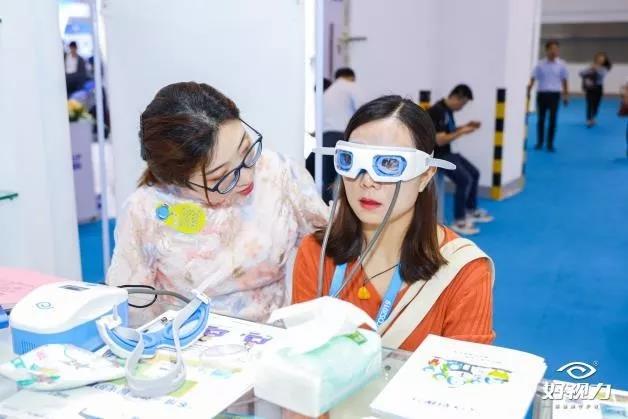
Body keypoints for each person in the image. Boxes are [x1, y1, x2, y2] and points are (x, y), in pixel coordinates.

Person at [106, 82, 328, 326]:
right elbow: (133, 310)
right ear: (177, 180)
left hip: (274, 338)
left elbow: (330, 242)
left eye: (246, 150)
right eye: (221, 177)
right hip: (185, 343)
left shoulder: (276, 173)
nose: (247, 177)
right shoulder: (146, 211)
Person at [293, 95, 495, 351]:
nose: (367, 181)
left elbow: (462, 372)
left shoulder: (464, 271)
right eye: (352, 160)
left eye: (389, 163)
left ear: (425, 175)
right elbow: (301, 357)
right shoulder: (317, 253)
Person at [428, 84, 493, 236]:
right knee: (464, 179)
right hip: (439, 156)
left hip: (449, 153)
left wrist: (466, 126)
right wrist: (463, 132)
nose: (462, 108)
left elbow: (448, 131)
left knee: (474, 173)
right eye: (462, 104)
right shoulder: (437, 111)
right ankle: (459, 221)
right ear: (456, 97)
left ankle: (471, 209)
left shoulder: (447, 110)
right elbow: (439, 140)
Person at [321, 67, 363, 203]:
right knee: (348, 177)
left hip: (326, 137)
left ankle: (327, 209)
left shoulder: (327, 93)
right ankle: (344, 209)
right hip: (343, 137)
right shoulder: (350, 86)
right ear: (351, 77)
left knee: (327, 179)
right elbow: (363, 111)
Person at [527, 40, 569, 152]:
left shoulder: (562, 64)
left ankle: (550, 143)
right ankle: (540, 142)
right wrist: (528, 91)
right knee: (541, 119)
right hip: (542, 94)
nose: (554, 51)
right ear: (546, 50)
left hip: (555, 95)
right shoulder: (540, 64)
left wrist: (565, 95)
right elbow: (533, 78)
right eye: (551, 49)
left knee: (553, 120)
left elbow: (564, 80)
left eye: (556, 49)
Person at [580, 52, 612, 127]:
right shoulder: (591, 66)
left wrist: (596, 68)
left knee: (596, 104)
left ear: (604, 60)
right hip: (590, 88)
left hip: (599, 88)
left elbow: (602, 75)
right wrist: (590, 68)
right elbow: (581, 73)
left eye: (602, 58)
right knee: (589, 104)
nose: (600, 59)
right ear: (596, 59)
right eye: (599, 58)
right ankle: (588, 119)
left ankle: (593, 117)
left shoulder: (604, 68)